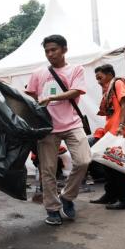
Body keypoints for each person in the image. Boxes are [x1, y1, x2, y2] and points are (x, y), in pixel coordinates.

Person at [25, 34, 91, 226]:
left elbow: (76, 91)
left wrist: (51, 98)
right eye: (47, 51)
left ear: (64, 49)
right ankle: (52, 209)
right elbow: (30, 96)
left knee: (83, 161)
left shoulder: (76, 69)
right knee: (48, 170)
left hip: (72, 123)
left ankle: (67, 196)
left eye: (54, 49)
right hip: (47, 127)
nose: (50, 54)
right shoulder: (38, 73)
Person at [90, 64, 125, 209]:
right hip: (112, 132)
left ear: (109, 74)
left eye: (100, 77)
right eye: (97, 78)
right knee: (109, 167)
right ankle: (111, 195)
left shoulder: (118, 83)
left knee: (120, 169)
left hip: (120, 132)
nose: (98, 81)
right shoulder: (108, 90)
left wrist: (121, 126)